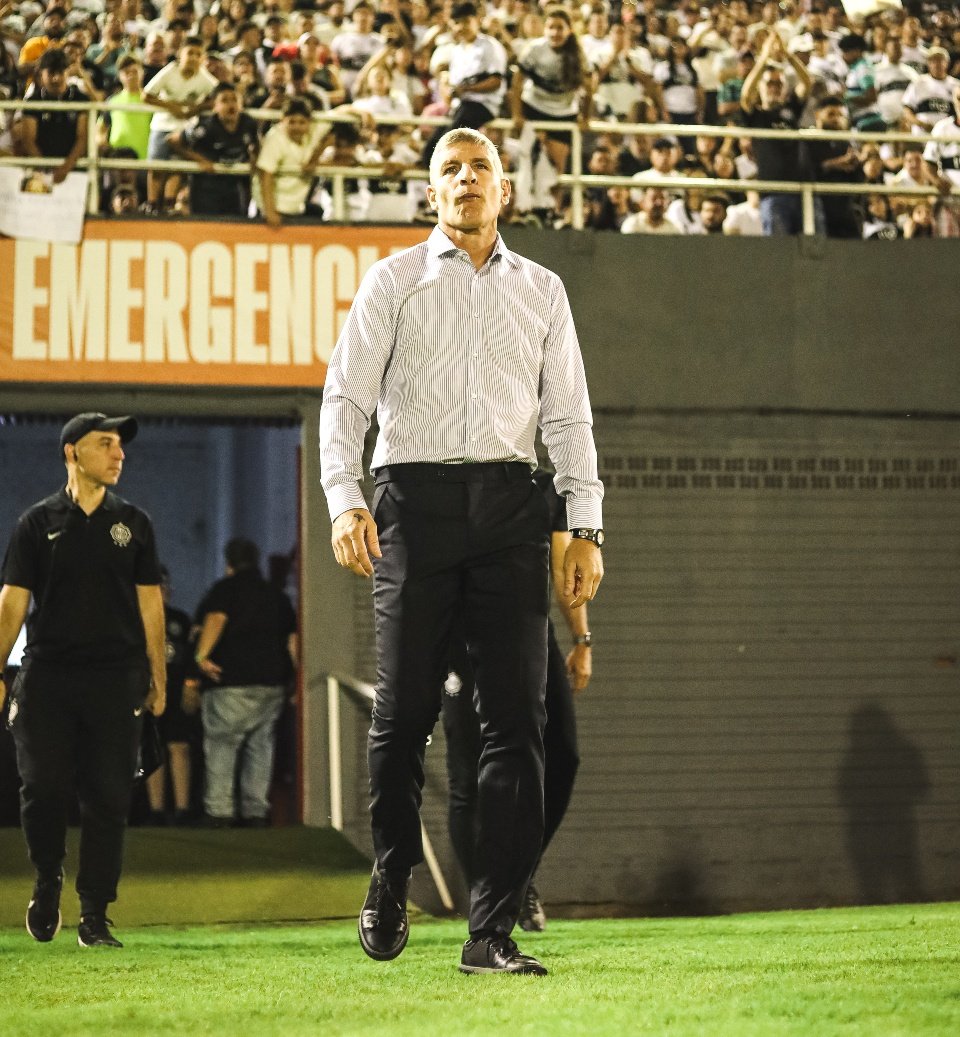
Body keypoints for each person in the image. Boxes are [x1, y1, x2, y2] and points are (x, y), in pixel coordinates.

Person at [319, 126, 603, 977]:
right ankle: (390, 871)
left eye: (482, 168)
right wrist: (344, 499)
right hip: (414, 503)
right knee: (403, 712)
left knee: (519, 722)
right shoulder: (393, 280)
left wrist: (585, 526)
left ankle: (491, 931)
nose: (467, 179)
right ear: (431, 192)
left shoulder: (543, 289)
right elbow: (344, 401)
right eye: (451, 169)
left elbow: (569, 418)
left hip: (512, 506)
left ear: (505, 189)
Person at [0, 413, 166, 949]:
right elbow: (12, 605)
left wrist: (159, 677)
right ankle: (48, 877)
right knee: (43, 788)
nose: (119, 454)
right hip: (47, 677)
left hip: (116, 680)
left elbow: (151, 606)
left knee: (108, 798)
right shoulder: (36, 523)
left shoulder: (134, 523)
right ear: (72, 453)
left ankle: (94, 914)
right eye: (105, 444)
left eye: (120, 445)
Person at [442, 467, 591, 932]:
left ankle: (515, 879)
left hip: (529, 634)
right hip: (460, 639)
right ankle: (487, 905)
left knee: (562, 755)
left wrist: (582, 639)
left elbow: (564, 569)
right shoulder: (445, 480)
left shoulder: (543, 487)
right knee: (469, 773)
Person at [193, 538, 296, 827]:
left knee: (223, 744)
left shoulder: (225, 590)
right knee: (260, 747)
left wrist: (201, 656)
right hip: (271, 683)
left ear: (229, 562)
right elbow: (292, 640)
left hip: (231, 681)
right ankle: (256, 811)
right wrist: (295, 677)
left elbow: (216, 619)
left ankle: (219, 811)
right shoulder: (276, 595)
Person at [739, 31, 812, 236]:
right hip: (772, 192)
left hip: (799, 190)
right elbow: (746, 95)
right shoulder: (756, 115)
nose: (774, 88)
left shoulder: (790, 110)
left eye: (778, 83)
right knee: (778, 247)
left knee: (806, 246)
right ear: (761, 88)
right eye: (769, 83)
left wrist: (788, 56)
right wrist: (764, 59)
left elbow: (807, 83)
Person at [422, 2, 508, 165]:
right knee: (430, 150)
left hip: (483, 105)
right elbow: (454, 85)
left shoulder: (490, 46)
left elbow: (495, 81)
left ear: (477, 20)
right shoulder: (457, 50)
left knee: (447, 148)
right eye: (457, 22)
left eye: (466, 21)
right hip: (460, 106)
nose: (461, 27)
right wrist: (450, 90)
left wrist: (467, 89)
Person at [144, 566, 197, 825]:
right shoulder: (137, 618)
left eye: (165, 587)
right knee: (154, 750)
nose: (163, 592)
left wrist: (191, 684)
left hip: (175, 691)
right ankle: (156, 811)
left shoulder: (180, 620)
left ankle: (182, 809)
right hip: (150, 692)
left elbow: (190, 655)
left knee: (179, 747)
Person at [168, 80, 259, 216]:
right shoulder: (206, 127)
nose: (231, 105)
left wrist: (254, 158)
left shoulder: (249, 123)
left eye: (234, 100)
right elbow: (172, 140)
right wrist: (200, 160)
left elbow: (256, 145)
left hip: (233, 184)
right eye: (224, 100)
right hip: (206, 185)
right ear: (215, 106)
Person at [13, 47, 88, 184]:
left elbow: (82, 138)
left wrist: (65, 169)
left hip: (75, 170)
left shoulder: (81, 99)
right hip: (40, 171)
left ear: (68, 72)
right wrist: (46, 169)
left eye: (60, 72)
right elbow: (28, 139)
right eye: (51, 73)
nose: (56, 78)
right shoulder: (32, 101)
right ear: (41, 73)